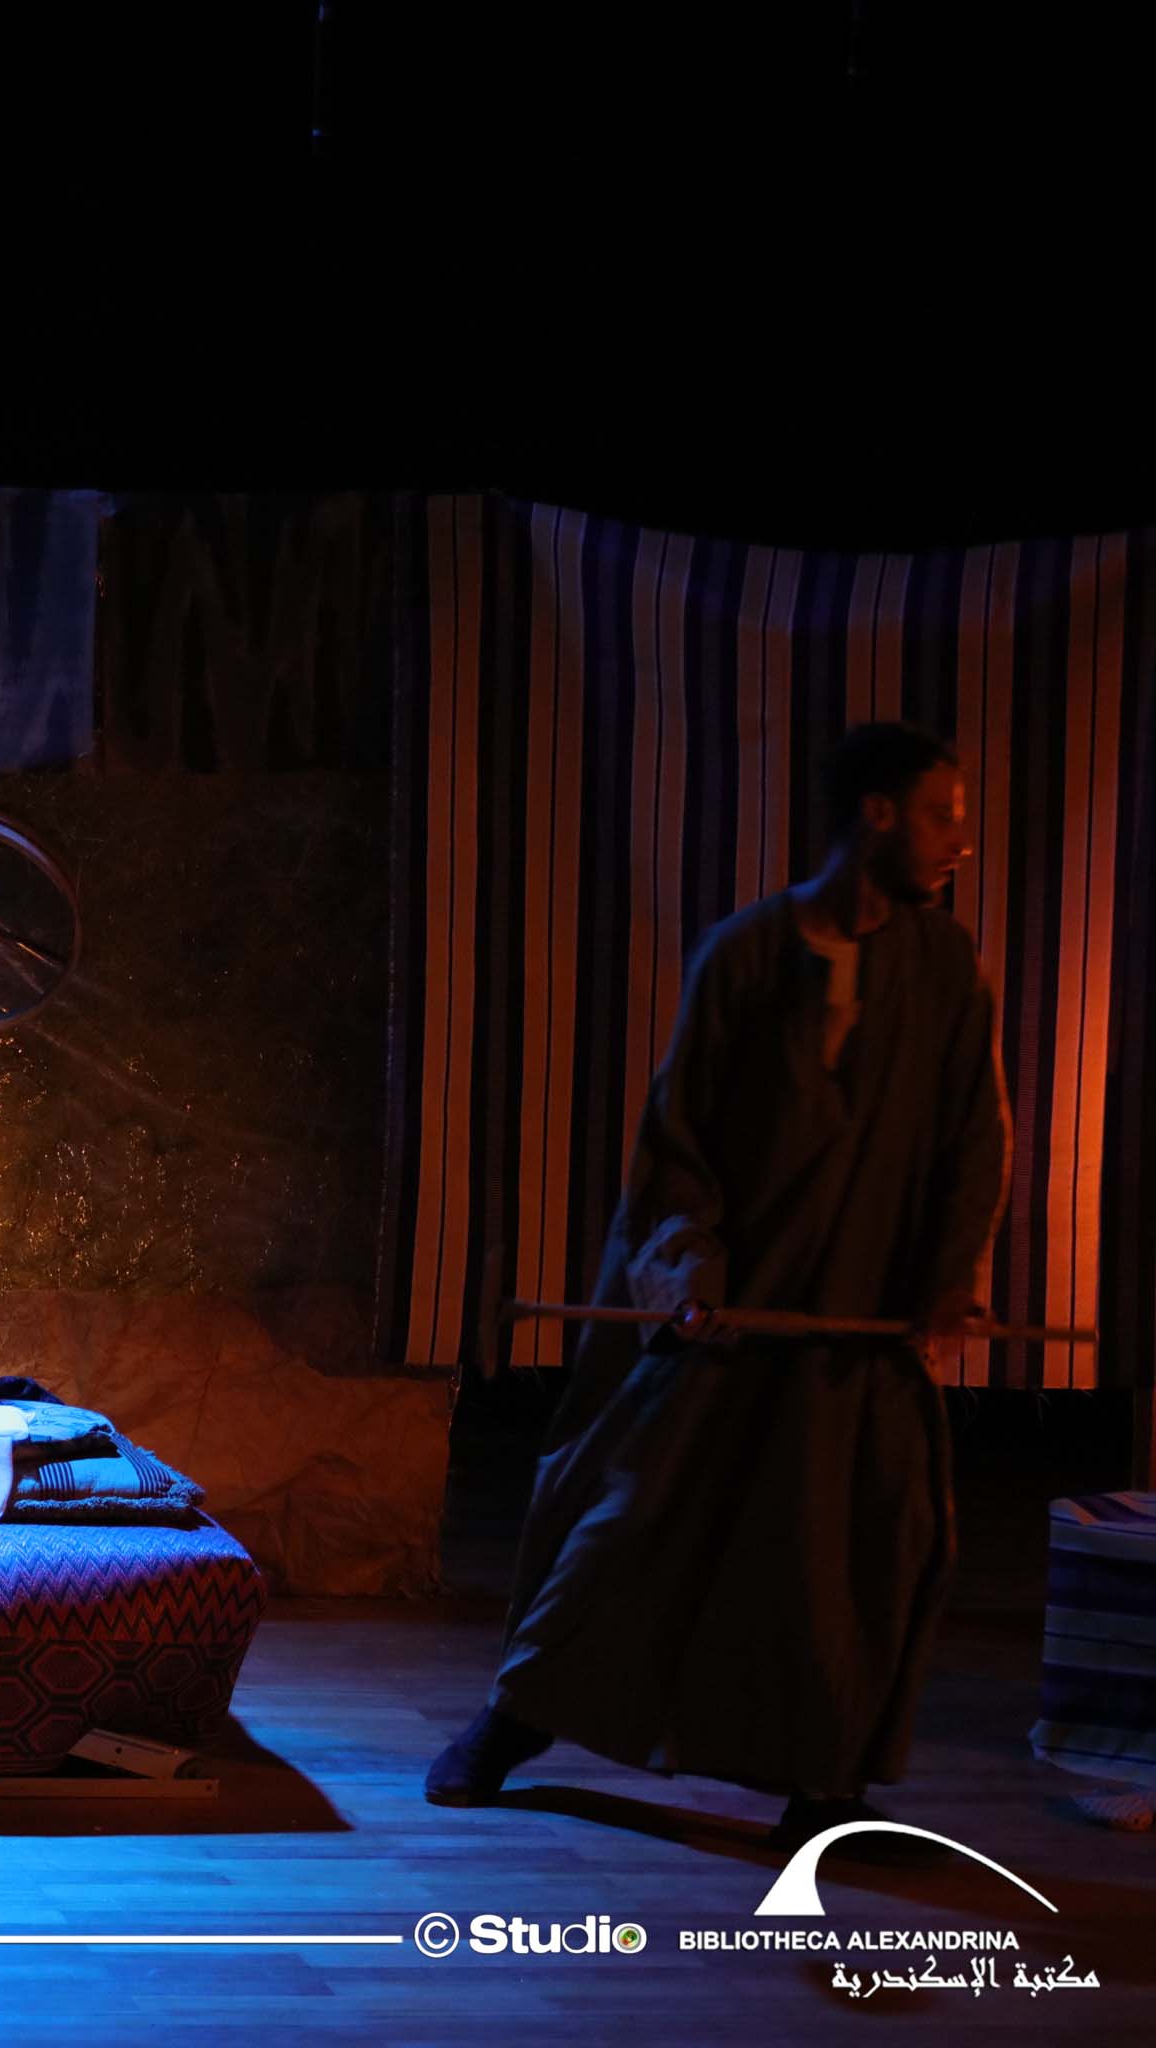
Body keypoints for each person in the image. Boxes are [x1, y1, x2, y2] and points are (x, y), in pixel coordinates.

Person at [426, 721, 1009, 1847]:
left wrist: (948, 1278)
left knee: (866, 1542)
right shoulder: (745, 953)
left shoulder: (945, 967)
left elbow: (971, 1136)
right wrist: (690, 1274)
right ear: (877, 814)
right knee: (631, 1517)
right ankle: (516, 1718)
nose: (960, 840)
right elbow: (678, 1139)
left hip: (858, 1320)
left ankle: (825, 1783)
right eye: (943, 814)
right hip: (730, 1312)